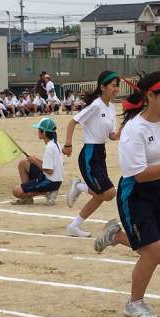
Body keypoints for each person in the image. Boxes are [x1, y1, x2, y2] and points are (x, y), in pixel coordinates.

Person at [94, 71, 160, 317]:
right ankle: (134, 303)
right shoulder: (135, 129)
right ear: (150, 96)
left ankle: (115, 235)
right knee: (152, 252)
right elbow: (138, 175)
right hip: (136, 193)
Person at [63, 70, 120, 237]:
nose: (116, 89)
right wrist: (68, 144)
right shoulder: (96, 105)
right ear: (102, 87)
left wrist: (123, 130)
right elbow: (72, 122)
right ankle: (79, 186)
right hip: (89, 154)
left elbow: (112, 135)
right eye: (113, 86)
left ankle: (74, 226)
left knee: (102, 195)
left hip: (101, 153)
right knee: (108, 193)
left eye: (117, 86)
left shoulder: (112, 108)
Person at [12, 117, 63, 206]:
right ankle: (27, 198)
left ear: (44, 132)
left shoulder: (49, 147)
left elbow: (49, 171)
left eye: (39, 130)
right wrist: (36, 159)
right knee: (23, 163)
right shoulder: (55, 143)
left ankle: (48, 192)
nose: (38, 132)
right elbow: (52, 164)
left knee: (16, 192)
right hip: (54, 179)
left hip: (50, 181)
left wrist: (34, 161)